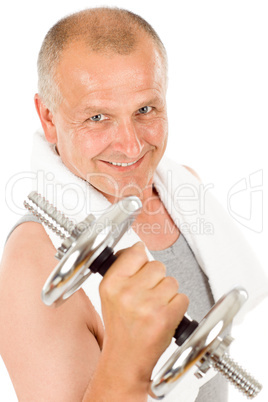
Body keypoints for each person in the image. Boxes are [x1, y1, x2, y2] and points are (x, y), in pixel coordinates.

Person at [0, 7, 267, 402]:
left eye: (145, 110)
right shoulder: (32, 263)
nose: (131, 146)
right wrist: (126, 359)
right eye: (97, 117)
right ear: (49, 118)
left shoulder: (182, 189)